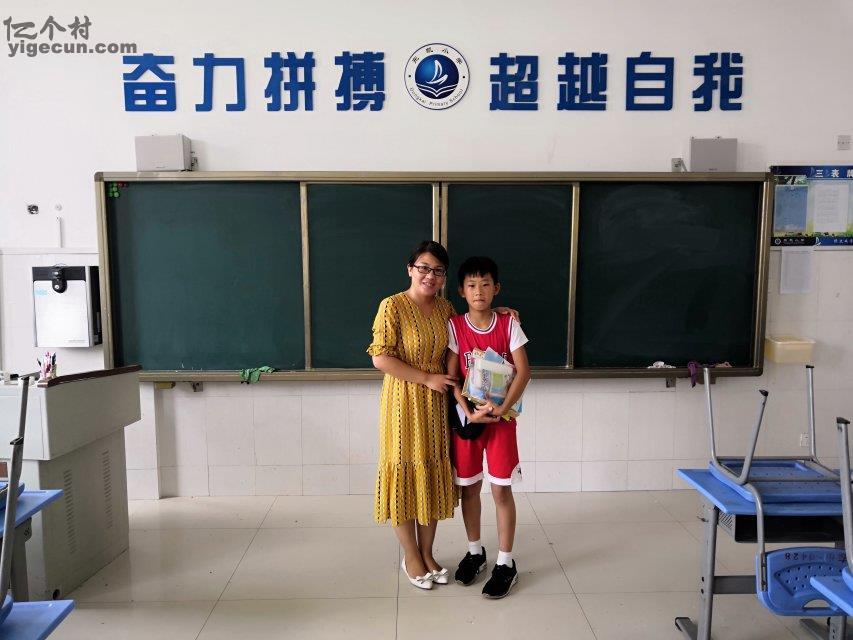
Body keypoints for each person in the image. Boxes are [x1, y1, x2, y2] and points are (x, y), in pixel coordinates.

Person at [368, 241, 458, 591]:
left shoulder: (446, 308)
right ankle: (411, 555)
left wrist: (501, 311)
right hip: (403, 401)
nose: (430, 276)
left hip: (435, 404)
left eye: (438, 270)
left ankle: (428, 552)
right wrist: (426, 378)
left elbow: (464, 336)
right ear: (410, 269)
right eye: (424, 267)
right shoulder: (392, 306)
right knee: (404, 471)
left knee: (431, 471)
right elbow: (380, 358)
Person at [447, 256, 531, 599]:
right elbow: (452, 377)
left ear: (496, 288)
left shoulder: (508, 324)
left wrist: (503, 408)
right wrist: (468, 411)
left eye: (485, 284)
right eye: (471, 285)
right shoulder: (455, 326)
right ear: (461, 291)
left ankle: (506, 562)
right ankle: (475, 552)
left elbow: (523, 371)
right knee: (469, 488)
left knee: (501, 491)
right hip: (470, 422)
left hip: (501, 422)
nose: (478, 291)